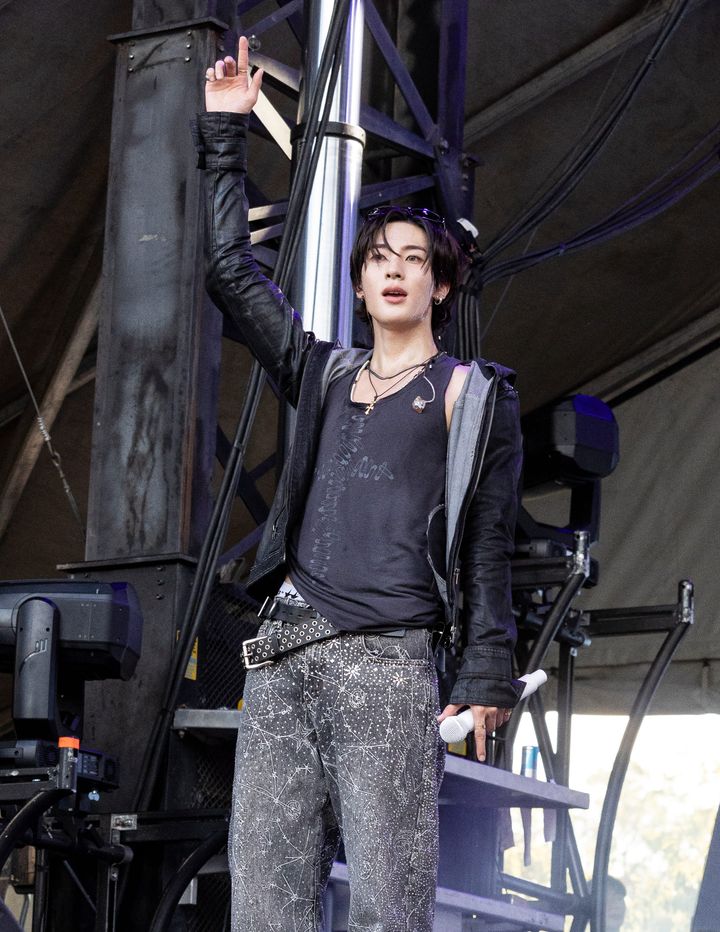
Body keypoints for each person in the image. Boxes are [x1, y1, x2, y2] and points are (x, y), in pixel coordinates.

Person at [194, 36, 524, 932]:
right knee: (265, 909)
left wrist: (486, 671)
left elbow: (488, 545)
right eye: (379, 257)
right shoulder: (324, 372)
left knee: (388, 909)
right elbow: (228, 272)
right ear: (362, 281)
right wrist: (224, 132)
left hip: (388, 664)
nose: (393, 269)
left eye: (413, 258)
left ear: (439, 284)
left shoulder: (469, 394)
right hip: (283, 655)